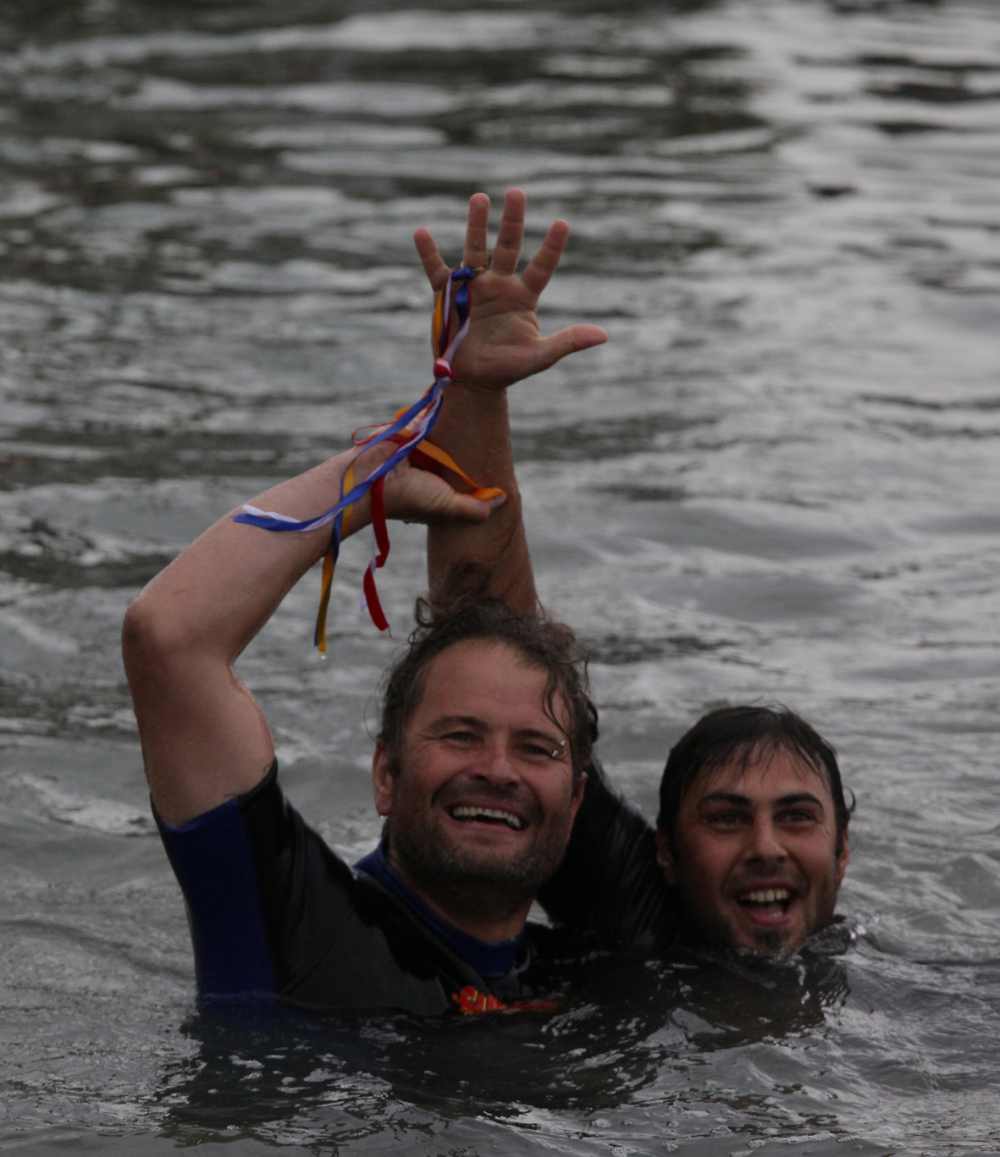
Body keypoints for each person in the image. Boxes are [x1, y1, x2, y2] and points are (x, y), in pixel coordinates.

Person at [121, 193, 607, 1013]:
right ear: (385, 772)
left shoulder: (595, 971)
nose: (498, 769)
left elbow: (490, 640)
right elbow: (168, 638)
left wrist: (474, 395)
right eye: (460, 735)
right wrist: (362, 482)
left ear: (577, 797)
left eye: (536, 747)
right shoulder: (295, 931)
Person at [417, 193, 854, 959]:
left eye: (797, 816)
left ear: (843, 852)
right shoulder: (642, 926)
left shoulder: (928, 991)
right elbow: (491, 647)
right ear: (666, 856)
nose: (765, 847)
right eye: (725, 818)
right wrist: (477, 393)